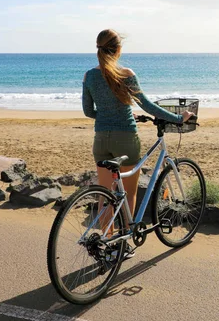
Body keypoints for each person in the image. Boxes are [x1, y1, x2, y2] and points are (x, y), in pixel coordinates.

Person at [82, 29, 194, 222]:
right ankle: (125, 242)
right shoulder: (126, 74)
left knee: (105, 194)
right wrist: (178, 118)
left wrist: (110, 114)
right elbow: (148, 106)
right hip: (125, 138)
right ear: (118, 49)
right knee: (129, 193)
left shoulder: (89, 76)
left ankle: (107, 243)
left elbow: (89, 112)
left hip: (100, 140)